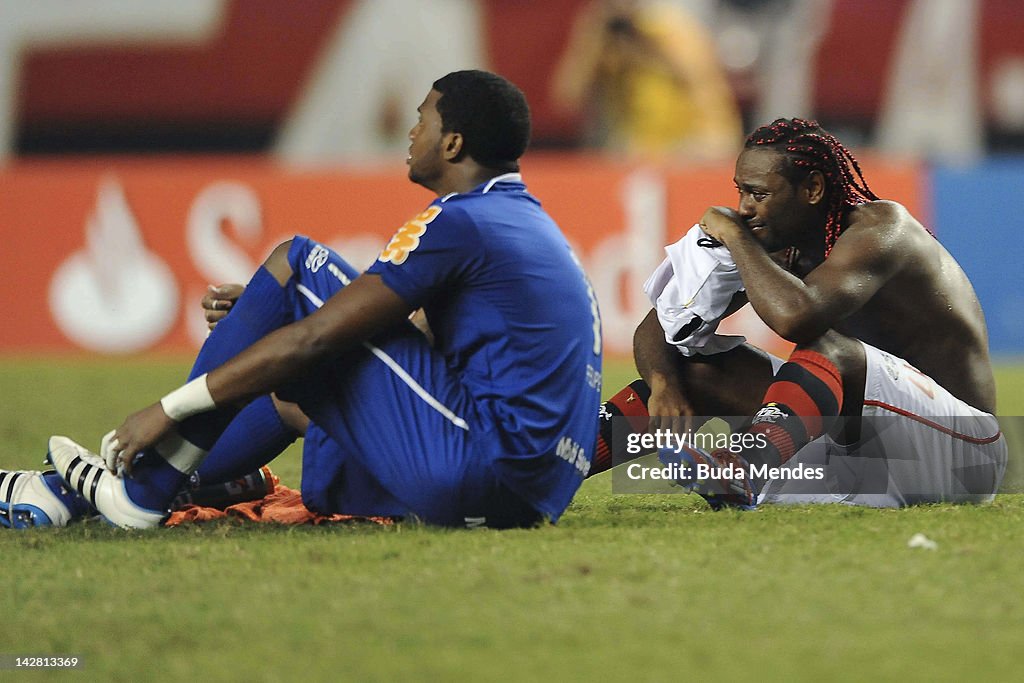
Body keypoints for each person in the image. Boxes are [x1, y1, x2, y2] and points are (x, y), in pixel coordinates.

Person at [2, 70, 603, 530]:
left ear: (452, 144)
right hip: (527, 496)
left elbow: (317, 334)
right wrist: (274, 311)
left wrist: (168, 410)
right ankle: (84, 493)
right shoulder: (521, 221)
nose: (411, 131)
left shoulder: (461, 222)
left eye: (422, 120)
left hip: (478, 470)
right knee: (298, 376)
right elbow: (406, 343)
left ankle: (144, 488)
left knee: (297, 262)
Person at [595, 117, 1006, 508]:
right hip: (865, 456)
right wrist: (665, 383)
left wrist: (735, 237)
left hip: (961, 456)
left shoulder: (882, 230)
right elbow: (660, 327)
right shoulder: (774, 243)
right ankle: (556, 459)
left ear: (811, 188)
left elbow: (799, 319)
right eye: (740, 192)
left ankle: (742, 467)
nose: (744, 208)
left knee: (828, 345)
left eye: (759, 194)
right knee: (698, 369)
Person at [550, 0, 742, 160]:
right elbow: (567, 98)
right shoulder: (602, 35)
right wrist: (592, 43)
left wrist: (715, 141)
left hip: (682, 151)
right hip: (627, 152)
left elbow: (706, 89)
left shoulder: (672, 28)